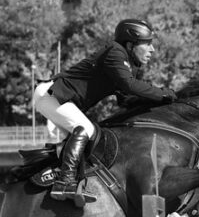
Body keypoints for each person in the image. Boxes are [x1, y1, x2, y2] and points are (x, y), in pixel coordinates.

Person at [33, 18, 177, 206]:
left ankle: (56, 177)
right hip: (52, 95)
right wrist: (163, 94)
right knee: (86, 129)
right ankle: (65, 183)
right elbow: (130, 85)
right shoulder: (115, 53)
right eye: (147, 44)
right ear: (130, 44)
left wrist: (160, 105)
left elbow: (126, 98)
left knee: (81, 142)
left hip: (57, 98)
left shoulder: (125, 62)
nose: (152, 49)